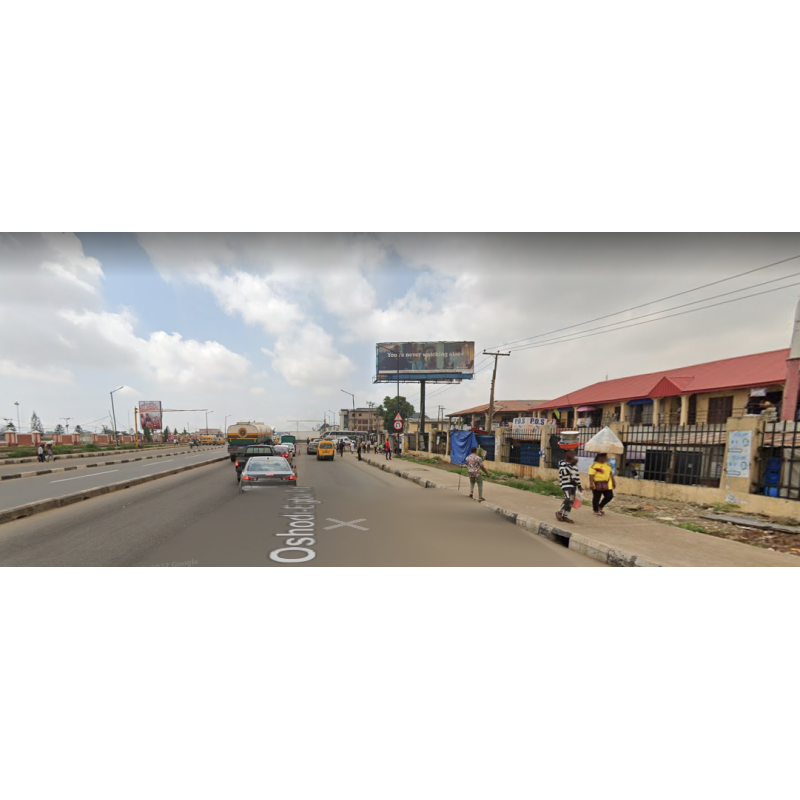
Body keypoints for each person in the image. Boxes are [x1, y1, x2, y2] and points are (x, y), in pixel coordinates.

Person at [556, 451, 581, 523]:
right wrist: (571, 465)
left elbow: (577, 476)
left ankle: (565, 516)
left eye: (573, 453)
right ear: (565, 454)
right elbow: (563, 473)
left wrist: (579, 485)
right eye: (570, 453)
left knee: (571, 502)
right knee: (567, 499)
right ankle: (559, 512)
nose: (572, 455)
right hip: (565, 484)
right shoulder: (562, 462)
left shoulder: (575, 465)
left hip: (573, 486)